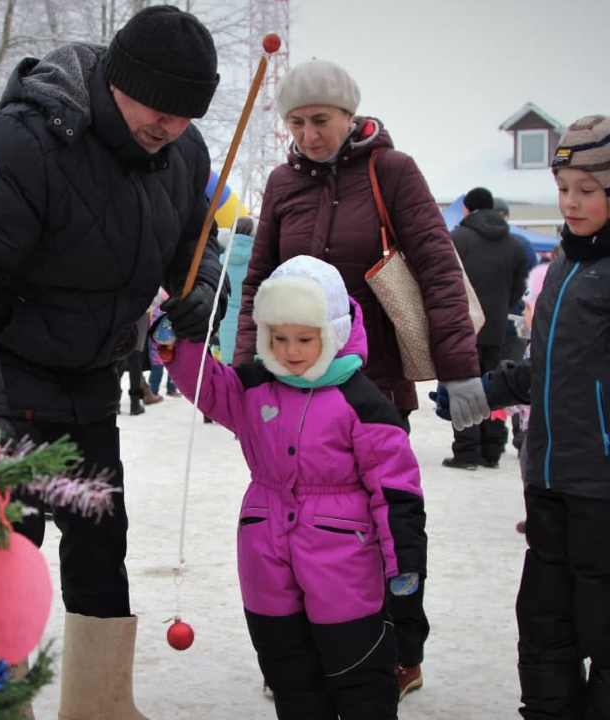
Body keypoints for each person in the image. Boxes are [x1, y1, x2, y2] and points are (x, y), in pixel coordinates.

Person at [0, 7, 225, 719]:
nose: (172, 128)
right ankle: (0, 702)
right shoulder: (25, 142)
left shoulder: (184, 152)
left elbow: (197, 243)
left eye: (188, 115)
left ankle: (100, 702)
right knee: (6, 555)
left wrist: (201, 288)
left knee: (99, 548)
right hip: (8, 381)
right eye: (161, 109)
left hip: (88, 387)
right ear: (120, 80)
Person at [231, 57, 483, 700]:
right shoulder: (283, 183)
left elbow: (437, 265)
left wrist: (459, 372)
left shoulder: (391, 172)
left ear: (350, 114)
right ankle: (310, 649)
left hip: (372, 385)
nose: (309, 134)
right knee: (307, 528)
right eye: (296, 122)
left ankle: (399, 649)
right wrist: (244, 369)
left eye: (320, 120)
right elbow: (259, 278)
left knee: (383, 528)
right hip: (294, 391)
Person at [156, 255, 426, 720]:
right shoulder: (254, 388)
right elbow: (208, 384)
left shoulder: (361, 403)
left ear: (333, 332)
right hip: (266, 558)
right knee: (289, 675)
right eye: (278, 339)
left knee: (358, 676)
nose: (291, 351)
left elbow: (397, 494)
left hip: (344, 565)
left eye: (304, 339)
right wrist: (176, 340)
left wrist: (403, 567)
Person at [432, 114, 610, 719]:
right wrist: (480, 390)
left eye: (588, 189)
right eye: (564, 188)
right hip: (549, 481)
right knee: (543, 627)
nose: (571, 202)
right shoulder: (562, 265)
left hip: (602, 491)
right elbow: (545, 365)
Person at [442, 187, 528, 471]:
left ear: (466, 208)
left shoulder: (458, 239)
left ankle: (467, 451)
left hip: (463, 325)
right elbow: (520, 284)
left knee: (463, 385)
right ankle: (492, 450)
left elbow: (444, 279)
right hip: (497, 327)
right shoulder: (514, 243)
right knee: (495, 385)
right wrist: (502, 307)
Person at [493, 195, 539, 450]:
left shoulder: (469, 242)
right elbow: (532, 282)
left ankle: (496, 439)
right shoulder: (521, 244)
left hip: (491, 324)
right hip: (518, 321)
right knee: (518, 377)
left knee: (499, 378)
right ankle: (521, 435)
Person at [218, 214, 255, 365]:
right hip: (251, 320)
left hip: (225, 318)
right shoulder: (258, 260)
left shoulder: (221, 259)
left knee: (229, 364)